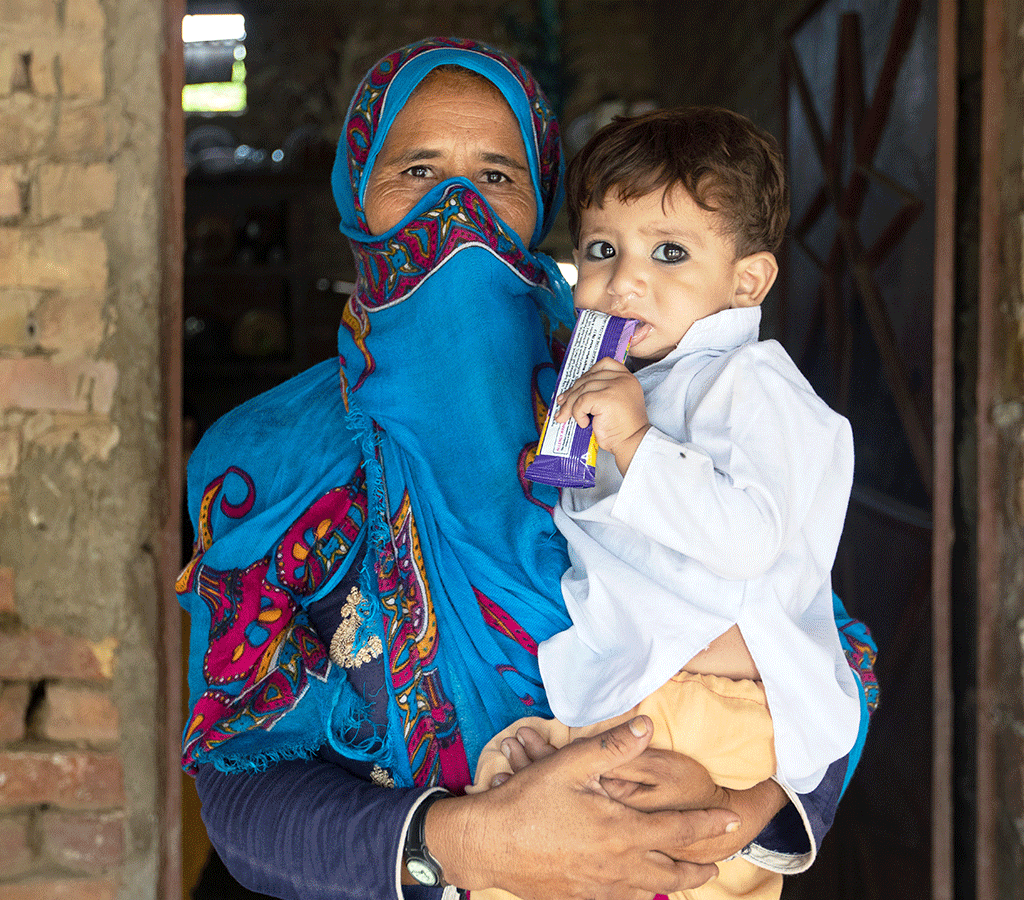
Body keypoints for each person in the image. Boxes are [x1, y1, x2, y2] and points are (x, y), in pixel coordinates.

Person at [177, 38, 878, 900]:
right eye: (418, 170)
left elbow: (825, 638)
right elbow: (239, 777)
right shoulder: (270, 457)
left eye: (498, 179)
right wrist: (463, 843)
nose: (458, 208)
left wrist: (742, 810)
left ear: (537, 207)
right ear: (357, 194)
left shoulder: (621, 396)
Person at [470, 107, 864, 900]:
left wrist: (638, 445)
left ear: (746, 280)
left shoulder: (753, 386)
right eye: (601, 249)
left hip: (712, 710)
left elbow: (749, 538)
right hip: (639, 689)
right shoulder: (628, 383)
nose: (626, 279)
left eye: (670, 252)